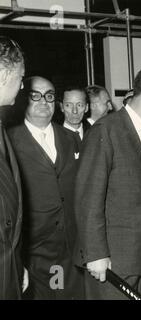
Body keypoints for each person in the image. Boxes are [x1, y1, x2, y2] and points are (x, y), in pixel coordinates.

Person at [74, 64, 141, 300]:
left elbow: (127, 187)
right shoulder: (106, 130)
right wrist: (95, 254)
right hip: (115, 263)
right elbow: (88, 198)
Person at [8, 76, 85, 299]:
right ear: (24, 100)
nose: (44, 101)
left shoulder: (71, 139)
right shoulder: (10, 142)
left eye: (49, 96)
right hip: (36, 252)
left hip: (75, 248)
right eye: (36, 96)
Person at [0, 36, 25, 300]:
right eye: (20, 77)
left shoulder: (2, 129)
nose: (21, 86)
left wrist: (16, 264)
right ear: (3, 74)